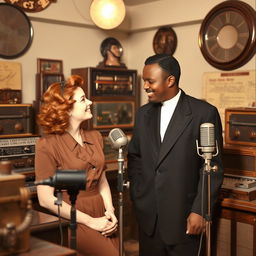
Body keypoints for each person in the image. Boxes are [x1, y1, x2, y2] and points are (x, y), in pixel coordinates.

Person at [127, 54, 223, 256]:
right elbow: (135, 157)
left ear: (170, 80)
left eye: (150, 81)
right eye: (144, 81)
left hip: (185, 218)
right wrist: (138, 193)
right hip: (149, 220)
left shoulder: (204, 113)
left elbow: (212, 168)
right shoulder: (143, 114)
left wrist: (199, 210)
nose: (145, 86)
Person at [35, 75, 119, 256]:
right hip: (73, 215)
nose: (90, 101)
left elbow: (101, 179)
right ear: (67, 109)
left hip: (101, 210)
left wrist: (110, 211)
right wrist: (90, 221)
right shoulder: (47, 144)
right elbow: (45, 199)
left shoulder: (95, 137)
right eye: (83, 99)